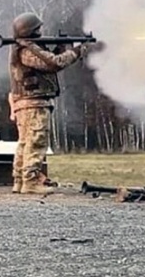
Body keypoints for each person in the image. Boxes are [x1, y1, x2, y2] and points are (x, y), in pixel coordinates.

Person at [8, 12, 90, 195]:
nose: (41, 31)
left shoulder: (27, 48)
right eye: (38, 28)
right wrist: (75, 52)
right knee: (36, 141)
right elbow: (54, 63)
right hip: (33, 103)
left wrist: (62, 47)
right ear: (31, 31)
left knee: (25, 142)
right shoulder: (27, 49)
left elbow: (48, 61)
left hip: (28, 102)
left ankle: (20, 180)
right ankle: (30, 181)